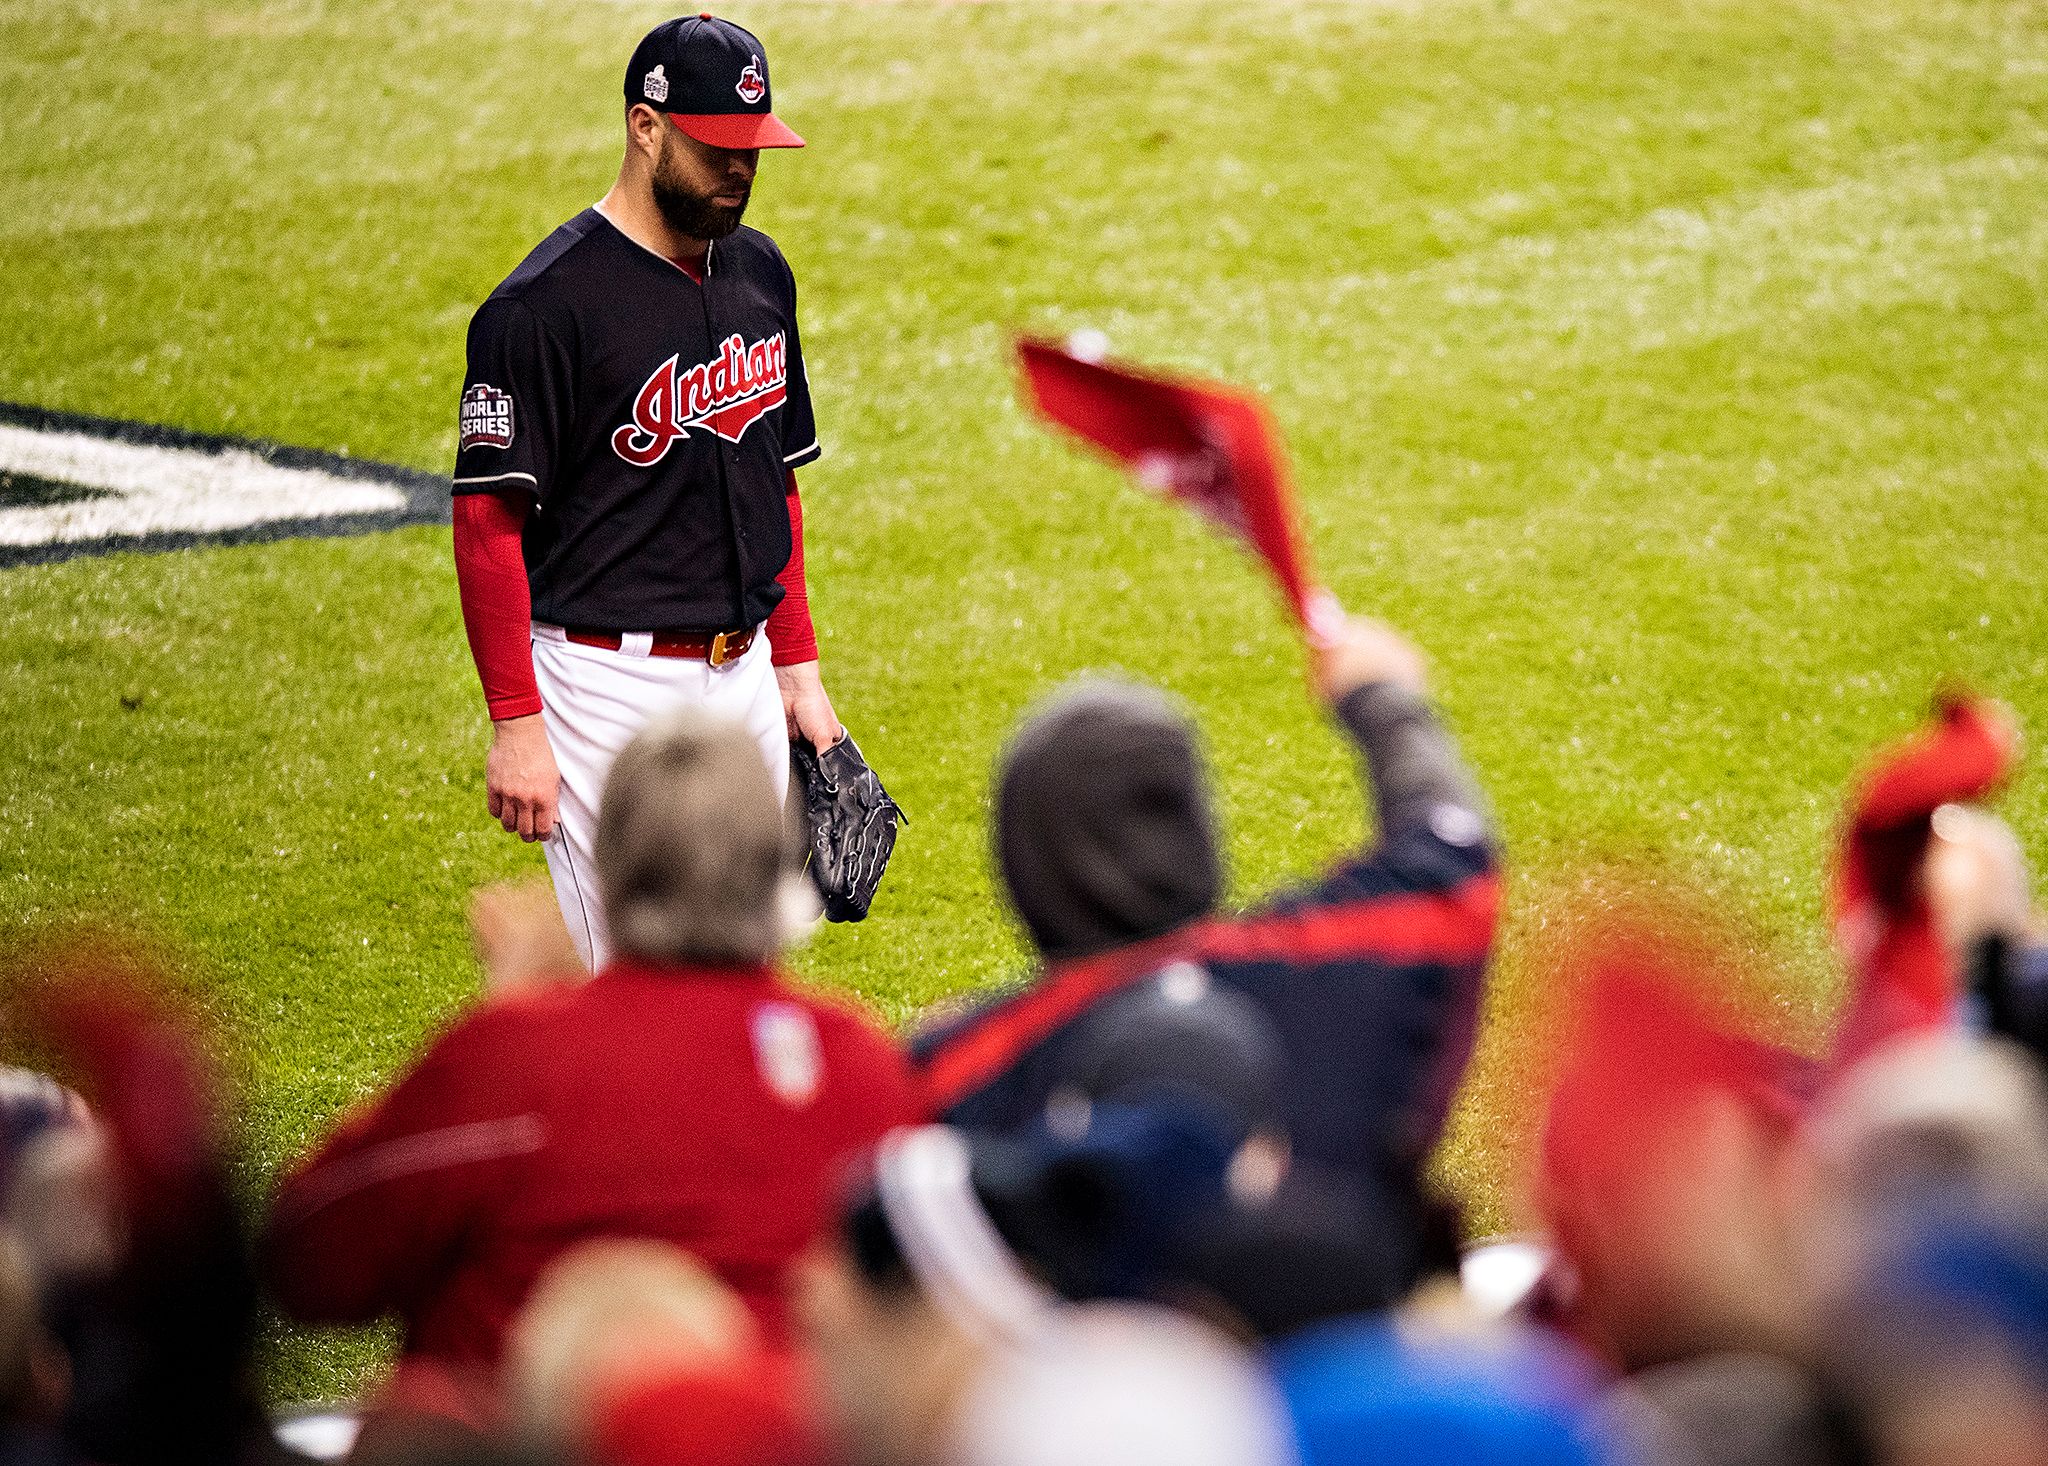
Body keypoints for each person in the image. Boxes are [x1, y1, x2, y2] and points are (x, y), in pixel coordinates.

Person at [264, 710, 920, 1404]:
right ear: (776, 863)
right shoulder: (859, 1065)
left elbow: (306, 1255)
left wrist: (502, 1016)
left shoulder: (515, 1059)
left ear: (611, 862)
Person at [451, 12, 842, 968]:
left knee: (750, 967)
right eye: (718, 149)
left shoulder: (760, 273)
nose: (740, 172)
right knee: (631, 979)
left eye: (754, 149)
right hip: (601, 688)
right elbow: (486, 524)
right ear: (646, 127)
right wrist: (517, 726)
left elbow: (773, 485)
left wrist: (798, 668)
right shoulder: (540, 309)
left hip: (744, 669)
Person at [912, 612, 1500, 1194]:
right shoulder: (1349, 957)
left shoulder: (946, 1079)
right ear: (1198, 830)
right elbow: (1453, 854)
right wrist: (1382, 698)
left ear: (1019, 871)